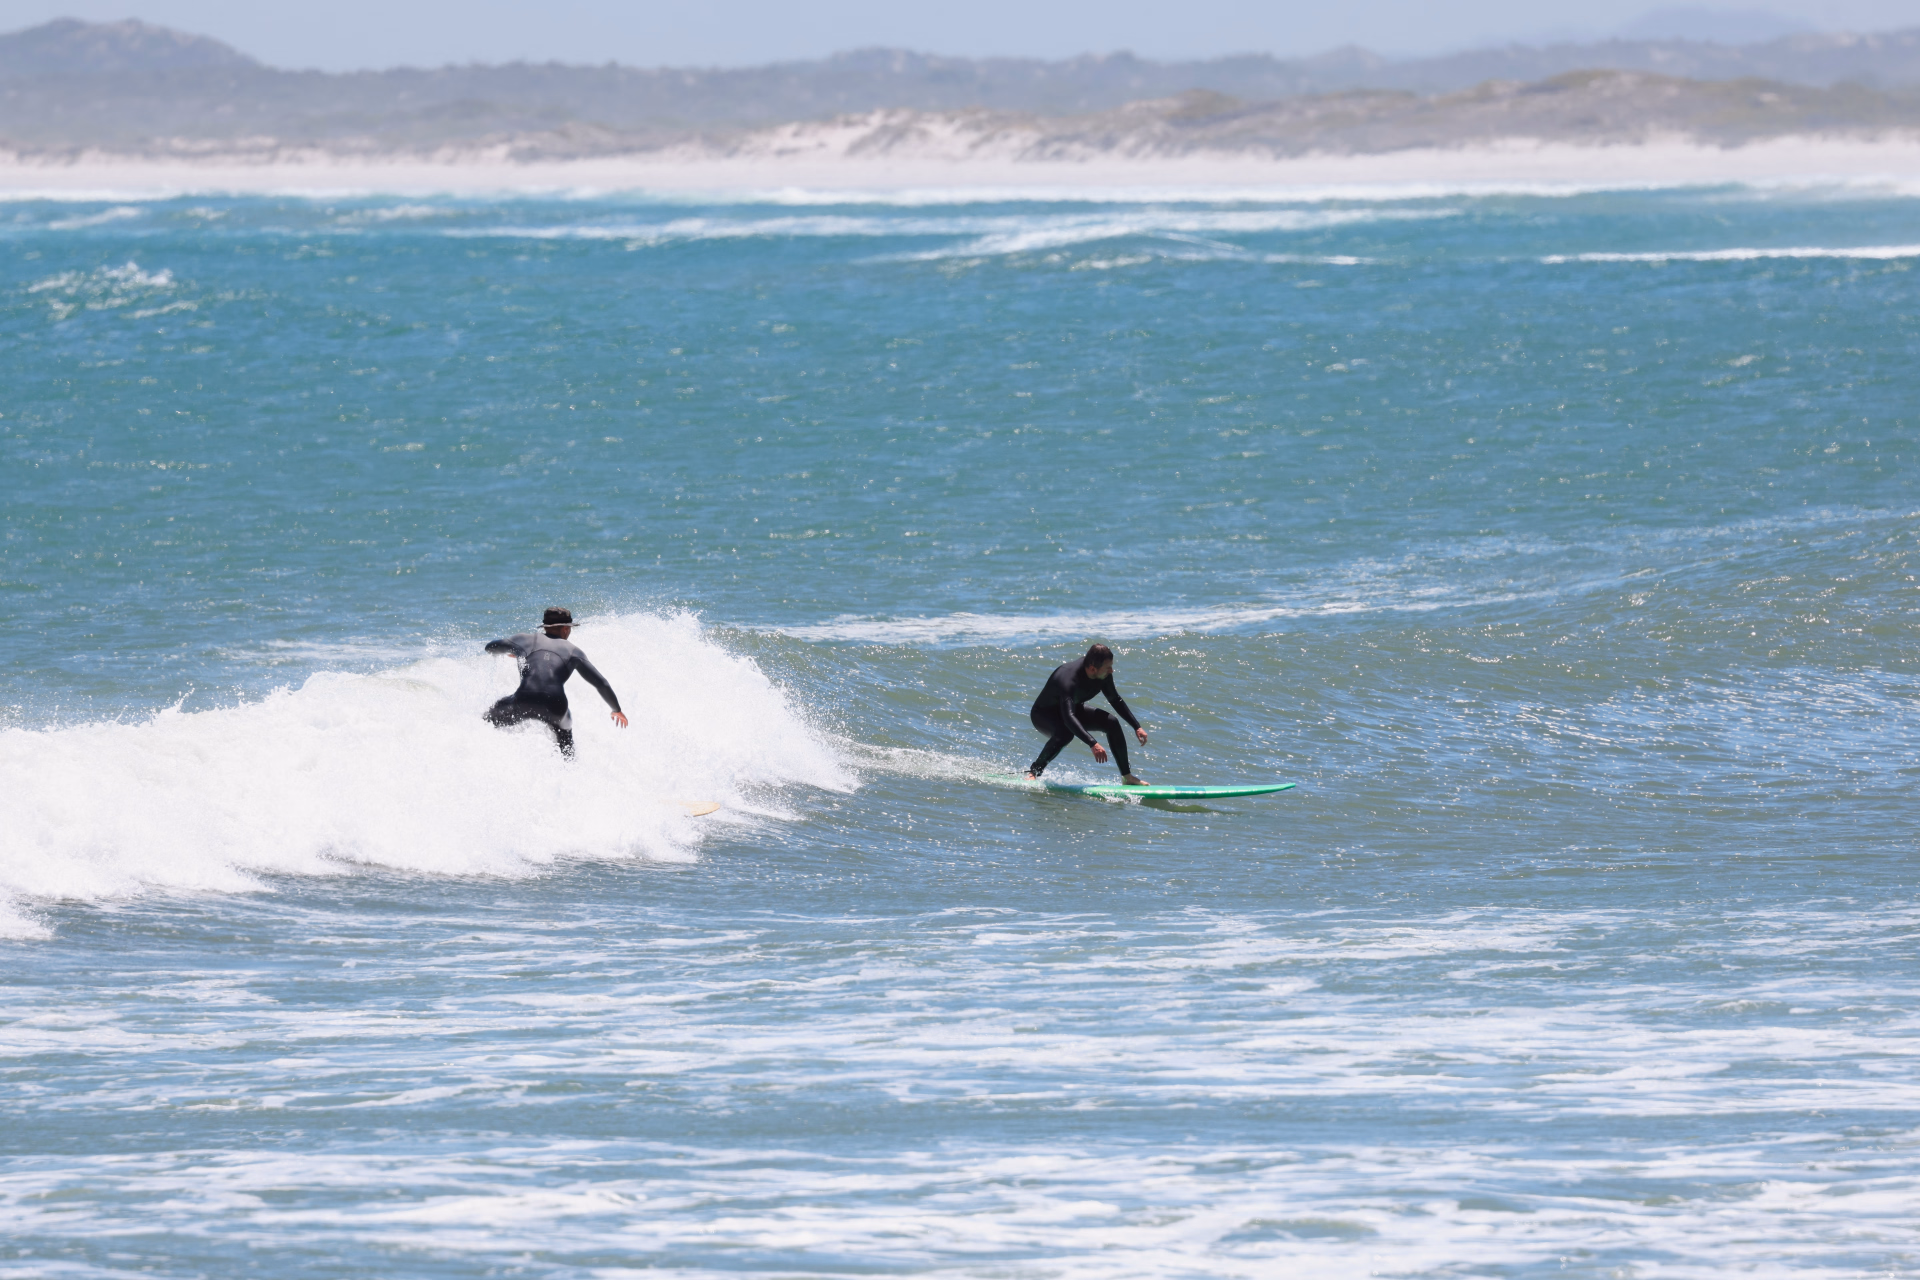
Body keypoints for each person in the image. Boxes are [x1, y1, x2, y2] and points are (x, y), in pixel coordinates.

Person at [483, 607, 628, 758]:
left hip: (523, 699)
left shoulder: (523, 640)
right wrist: (616, 709)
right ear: (566, 629)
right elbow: (601, 683)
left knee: (488, 720)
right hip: (556, 706)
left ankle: (482, 754)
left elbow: (490, 647)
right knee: (565, 741)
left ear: (545, 627)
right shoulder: (574, 651)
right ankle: (569, 768)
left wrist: (515, 650)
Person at [1025, 643, 1149, 784]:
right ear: (1092, 669)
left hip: (1072, 709)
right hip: (1043, 714)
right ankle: (1034, 772)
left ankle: (1127, 777)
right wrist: (1092, 743)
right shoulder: (1068, 679)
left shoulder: (1103, 675)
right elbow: (1068, 717)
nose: (1112, 670)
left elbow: (1115, 699)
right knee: (1065, 733)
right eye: (1108, 667)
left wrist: (1136, 726)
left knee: (1111, 722)